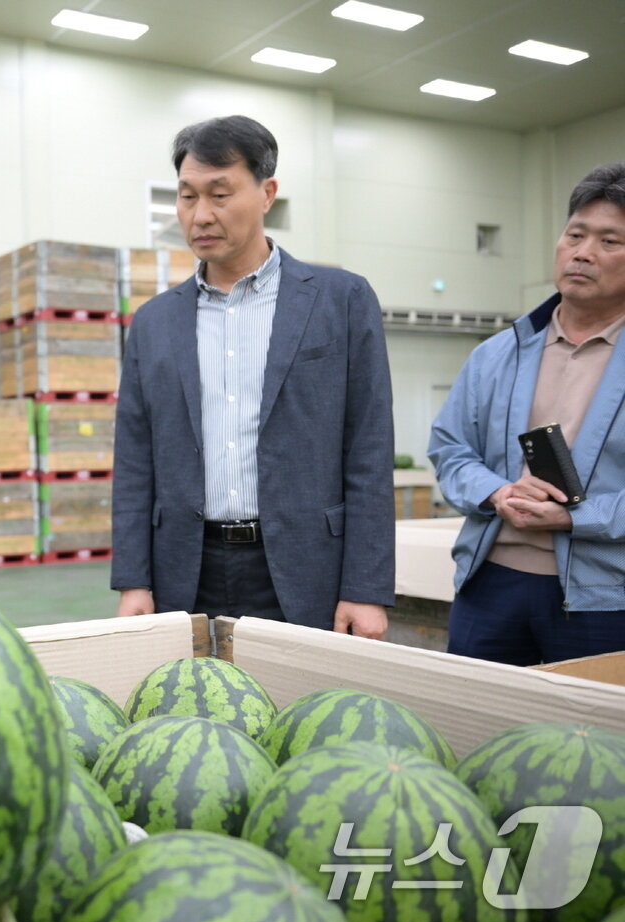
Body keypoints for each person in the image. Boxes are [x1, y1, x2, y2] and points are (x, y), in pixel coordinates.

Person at [111, 115, 394, 635]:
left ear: (267, 194)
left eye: (220, 194)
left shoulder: (342, 301)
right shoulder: (154, 322)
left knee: (301, 713)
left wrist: (366, 588)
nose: (200, 215)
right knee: (190, 711)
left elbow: (369, 451)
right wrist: (134, 581)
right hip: (184, 570)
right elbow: (135, 460)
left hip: (304, 568)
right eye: (188, 196)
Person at [429, 163, 625, 665]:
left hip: (604, 598)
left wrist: (575, 516)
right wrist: (497, 491)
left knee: (595, 741)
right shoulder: (498, 353)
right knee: (478, 729)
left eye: (610, 241)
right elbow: (450, 449)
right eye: (575, 234)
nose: (583, 252)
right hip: (489, 582)